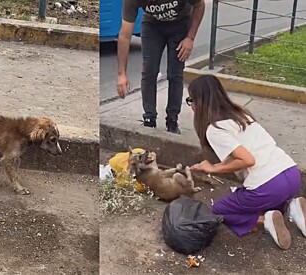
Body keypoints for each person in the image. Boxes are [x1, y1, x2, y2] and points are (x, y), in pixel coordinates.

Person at [188, 75, 305, 250]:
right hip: (290, 174)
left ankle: (266, 220)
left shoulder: (214, 129)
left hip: (269, 186)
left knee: (219, 210)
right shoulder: (241, 115)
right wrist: (211, 168)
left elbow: (247, 159)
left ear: (199, 101)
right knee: (263, 198)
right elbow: (245, 157)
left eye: (191, 100)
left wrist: (213, 168)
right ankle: (292, 208)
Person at [116, 0, 205, 134]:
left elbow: (199, 5)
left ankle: (172, 120)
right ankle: (149, 118)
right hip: (152, 26)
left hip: (180, 24)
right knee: (149, 71)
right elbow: (124, 35)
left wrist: (190, 38)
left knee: (175, 74)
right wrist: (121, 74)